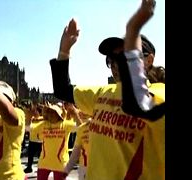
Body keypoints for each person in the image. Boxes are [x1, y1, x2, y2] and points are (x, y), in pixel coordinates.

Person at [49, 1, 164, 179]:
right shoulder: (103, 93)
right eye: (111, 59)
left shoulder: (159, 93)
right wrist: (64, 51)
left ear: (148, 61)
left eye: (123, 57)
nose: (115, 66)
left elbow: (137, 105)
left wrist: (133, 28)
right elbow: (63, 90)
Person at [32, 103, 81, 180]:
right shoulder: (44, 124)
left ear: (58, 114)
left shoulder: (65, 124)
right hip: (44, 162)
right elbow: (29, 129)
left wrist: (75, 114)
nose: (50, 114)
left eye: (53, 112)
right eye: (49, 112)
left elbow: (81, 128)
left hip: (60, 163)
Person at [64, 112, 92, 180]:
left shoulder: (108, 126)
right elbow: (76, 152)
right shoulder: (82, 128)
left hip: (103, 169)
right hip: (85, 169)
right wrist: (66, 170)